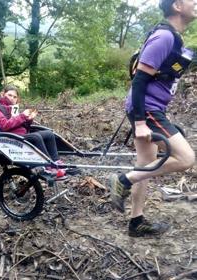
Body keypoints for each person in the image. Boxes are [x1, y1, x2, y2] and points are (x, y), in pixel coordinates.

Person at [109, 0, 196, 237]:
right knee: (186, 158)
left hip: (149, 109)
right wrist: (139, 122)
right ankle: (123, 180)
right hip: (147, 110)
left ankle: (136, 222)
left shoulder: (174, 37)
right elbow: (138, 81)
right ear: (177, 6)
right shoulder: (164, 37)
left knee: (146, 166)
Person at [0, 85, 67, 179]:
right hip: (9, 138)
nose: (12, 98)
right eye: (9, 95)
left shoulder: (13, 107)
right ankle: (47, 166)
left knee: (49, 134)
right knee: (36, 137)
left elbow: (19, 125)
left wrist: (28, 120)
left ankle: (56, 162)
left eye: (15, 97)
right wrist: (22, 116)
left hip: (20, 135)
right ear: (3, 94)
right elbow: (5, 125)